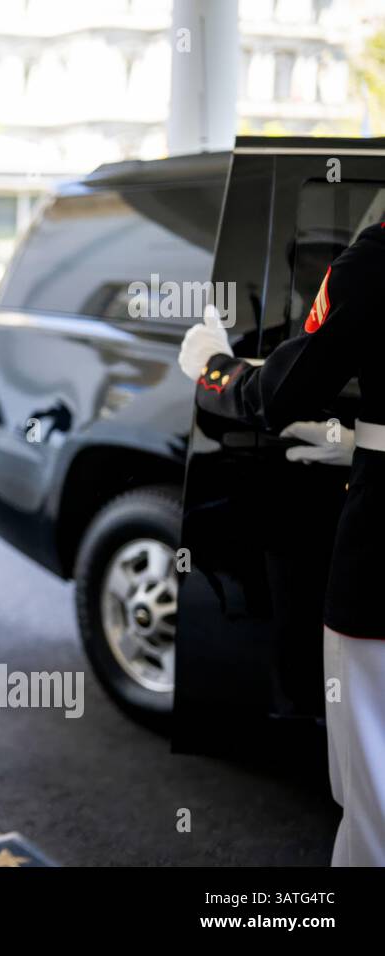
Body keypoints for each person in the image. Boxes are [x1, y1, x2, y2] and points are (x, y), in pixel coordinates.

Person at [176, 219, 385, 866]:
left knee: (373, 796)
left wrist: (213, 367)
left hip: (381, 566)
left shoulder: (379, 253)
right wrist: (364, 441)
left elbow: (283, 390)